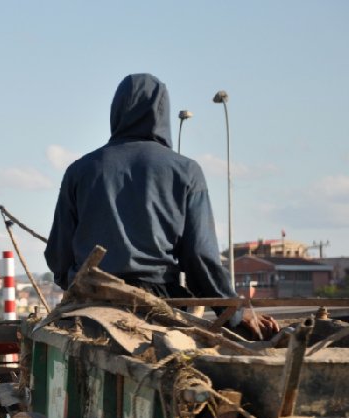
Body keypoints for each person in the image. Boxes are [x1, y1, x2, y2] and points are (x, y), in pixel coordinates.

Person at [44, 73, 279, 341]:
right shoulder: (185, 171)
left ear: (116, 110)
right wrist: (234, 314)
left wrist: (75, 284)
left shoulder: (80, 171)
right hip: (159, 309)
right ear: (163, 114)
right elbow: (200, 258)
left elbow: (58, 256)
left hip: (89, 309)